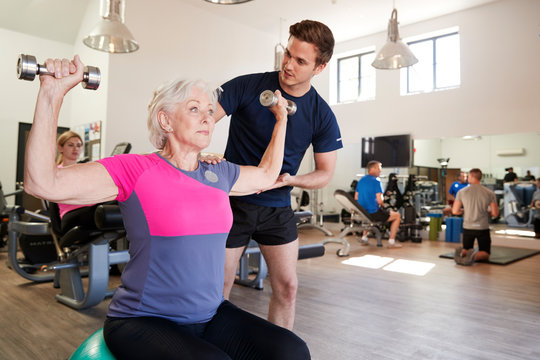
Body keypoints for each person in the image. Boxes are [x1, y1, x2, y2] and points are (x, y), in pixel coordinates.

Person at [24, 56, 310, 360]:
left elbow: (267, 175)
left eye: (210, 112)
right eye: (194, 109)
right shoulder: (135, 170)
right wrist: (51, 94)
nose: (207, 118)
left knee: (290, 350)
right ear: (166, 120)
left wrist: (282, 120)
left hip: (211, 314)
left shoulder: (220, 173)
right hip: (143, 320)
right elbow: (42, 183)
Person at [213, 20, 342, 330]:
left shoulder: (321, 114)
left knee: (288, 288)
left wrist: (291, 180)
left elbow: (325, 173)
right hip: (234, 204)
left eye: (300, 61)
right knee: (219, 289)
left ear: (319, 67)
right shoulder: (246, 86)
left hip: (278, 208)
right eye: (288, 54)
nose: (288, 65)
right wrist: (199, 155)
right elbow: (203, 121)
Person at [452, 168, 499, 265]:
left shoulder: (461, 192)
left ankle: (464, 254)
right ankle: (473, 257)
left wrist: (465, 210)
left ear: (472, 177)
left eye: (468, 176)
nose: (467, 178)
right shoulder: (489, 193)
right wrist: (487, 211)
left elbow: (455, 211)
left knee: (467, 249)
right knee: (485, 253)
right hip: (482, 228)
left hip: (468, 227)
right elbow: (495, 214)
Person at [55, 130, 98, 232]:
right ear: (60, 148)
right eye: (71, 145)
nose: (75, 148)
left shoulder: (84, 170)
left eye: (79, 146)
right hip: (71, 213)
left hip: (88, 209)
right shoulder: (57, 172)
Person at [355, 161, 402, 249]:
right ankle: (391, 242)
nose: (380, 171)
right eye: (379, 168)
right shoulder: (377, 181)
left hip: (363, 212)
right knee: (397, 216)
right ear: (372, 169)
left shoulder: (361, 180)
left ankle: (364, 238)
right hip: (374, 214)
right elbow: (380, 201)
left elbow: (356, 197)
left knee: (368, 217)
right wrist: (384, 205)